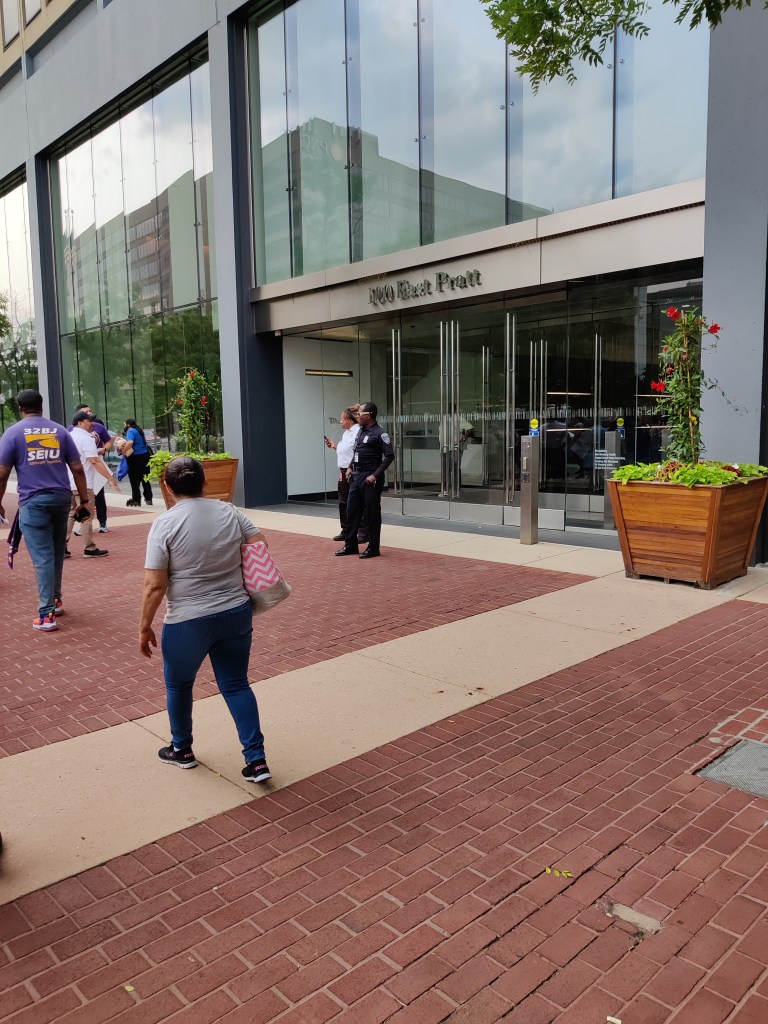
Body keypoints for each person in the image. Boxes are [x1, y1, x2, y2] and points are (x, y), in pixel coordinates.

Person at [138, 456, 271, 782]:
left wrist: (144, 626)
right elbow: (259, 546)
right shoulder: (231, 512)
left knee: (179, 685)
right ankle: (256, 761)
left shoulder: (164, 524)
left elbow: (155, 585)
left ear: (167, 487)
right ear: (204, 481)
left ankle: (181, 749)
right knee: (236, 684)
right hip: (235, 612)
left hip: (187, 619)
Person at [0, 388, 90, 631]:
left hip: (33, 502)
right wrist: (83, 500)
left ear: (20, 409)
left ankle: (46, 614)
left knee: (42, 557)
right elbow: (77, 468)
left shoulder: (13, 433)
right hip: (61, 499)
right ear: (41, 407)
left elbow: (2, 473)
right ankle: (56, 600)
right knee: (56, 551)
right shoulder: (60, 430)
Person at [335, 402, 394, 560]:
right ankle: (351, 545)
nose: (357, 416)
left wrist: (375, 475)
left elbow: (389, 456)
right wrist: (349, 467)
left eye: (360, 414)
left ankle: (373, 548)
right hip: (356, 476)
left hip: (370, 478)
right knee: (352, 511)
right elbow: (356, 451)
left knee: (372, 514)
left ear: (369, 416)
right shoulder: (361, 431)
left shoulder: (380, 433)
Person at [66, 410, 121, 558]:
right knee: (87, 516)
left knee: (72, 514)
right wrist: (110, 478)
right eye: (89, 421)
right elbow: (94, 461)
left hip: (70, 482)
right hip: (84, 484)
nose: (92, 424)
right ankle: (89, 548)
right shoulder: (86, 438)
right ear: (80, 423)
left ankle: (62, 547)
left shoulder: (70, 436)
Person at [71, 404, 113, 532]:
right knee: (81, 502)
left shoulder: (98, 427)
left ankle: (102, 523)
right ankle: (83, 527)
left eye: (90, 411)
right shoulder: (72, 431)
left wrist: (104, 449)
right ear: (79, 420)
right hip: (83, 469)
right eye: (86, 412)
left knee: (99, 495)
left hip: (96, 465)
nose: (89, 414)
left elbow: (109, 441)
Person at [324, 406, 361, 541]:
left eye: (342, 419)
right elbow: (345, 452)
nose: (340, 422)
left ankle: (361, 531)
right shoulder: (346, 433)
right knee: (343, 502)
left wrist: (351, 468)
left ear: (350, 420)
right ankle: (345, 530)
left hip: (354, 472)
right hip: (343, 471)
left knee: (356, 502)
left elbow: (357, 453)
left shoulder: (358, 432)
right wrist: (334, 446)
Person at [122, 418, 153, 507]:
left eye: (124, 424)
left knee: (134, 478)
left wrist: (124, 451)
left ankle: (136, 499)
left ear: (128, 425)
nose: (124, 426)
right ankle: (148, 498)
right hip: (145, 455)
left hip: (136, 456)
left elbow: (130, 442)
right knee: (145, 477)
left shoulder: (130, 430)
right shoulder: (138, 430)